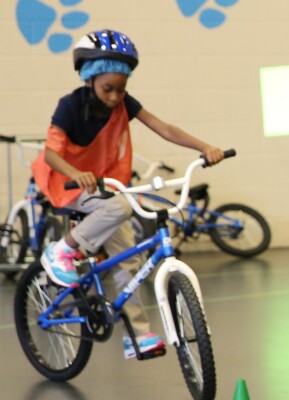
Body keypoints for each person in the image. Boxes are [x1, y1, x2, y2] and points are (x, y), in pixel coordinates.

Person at [32, 29, 225, 360]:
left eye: (122, 89)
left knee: (130, 260)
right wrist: (75, 173)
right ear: (90, 79)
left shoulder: (124, 103)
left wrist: (203, 146)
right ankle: (61, 251)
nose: (115, 96)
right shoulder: (69, 106)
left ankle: (137, 336)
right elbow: (51, 153)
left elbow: (164, 128)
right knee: (122, 208)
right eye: (108, 88)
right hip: (67, 184)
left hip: (105, 187)